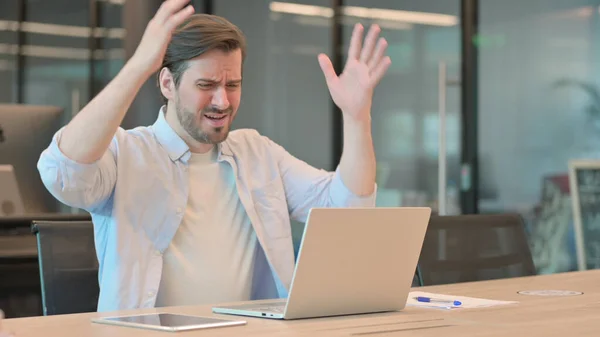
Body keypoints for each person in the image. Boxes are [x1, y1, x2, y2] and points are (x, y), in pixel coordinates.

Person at [37, 0, 391, 312]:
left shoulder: (258, 153)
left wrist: (357, 116)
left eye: (232, 85)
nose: (222, 101)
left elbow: (348, 210)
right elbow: (62, 173)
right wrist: (138, 66)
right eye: (206, 86)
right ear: (167, 84)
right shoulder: (128, 153)